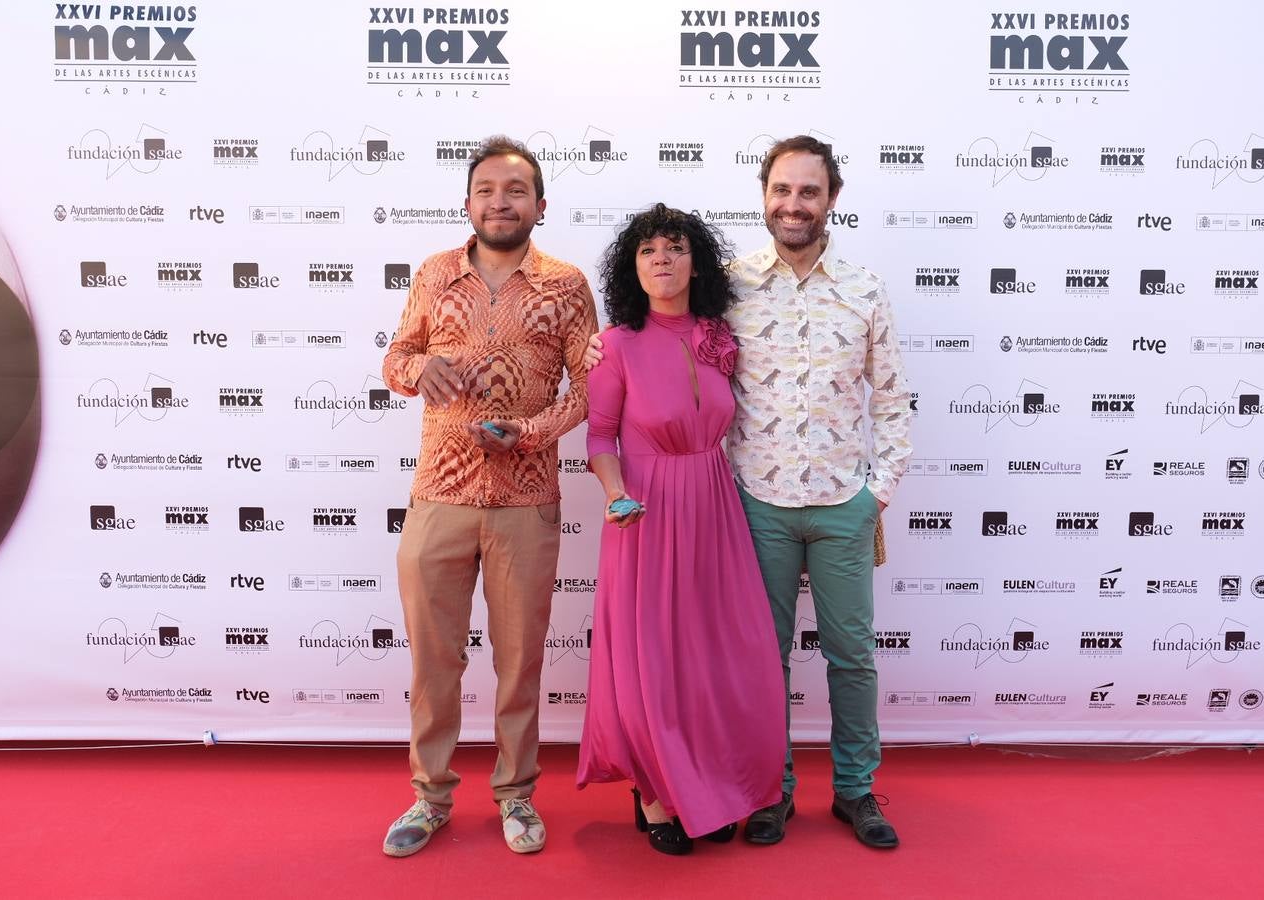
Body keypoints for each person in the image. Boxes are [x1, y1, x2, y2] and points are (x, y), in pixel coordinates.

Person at [585, 136, 913, 849]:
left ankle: (856, 790)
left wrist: (877, 493)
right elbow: (658, 337)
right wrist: (602, 347)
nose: (794, 204)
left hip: (842, 503)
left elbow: (891, 399)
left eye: (809, 191)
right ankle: (771, 790)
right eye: (782, 190)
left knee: (852, 656)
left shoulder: (864, 289)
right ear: (764, 196)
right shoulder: (728, 289)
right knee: (757, 660)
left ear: (831, 199)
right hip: (753, 506)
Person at [380, 135, 599, 858]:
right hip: (438, 494)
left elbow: (590, 390)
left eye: (515, 191)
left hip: (525, 499)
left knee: (519, 662)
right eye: (486, 191)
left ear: (541, 205)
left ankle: (516, 794)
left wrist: (530, 433)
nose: (500, 202)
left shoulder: (566, 285)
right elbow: (396, 357)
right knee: (433, 660)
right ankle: (430, 796)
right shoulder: (434, 273)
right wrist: (419, 369)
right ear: (467, 202)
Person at [576, 204, 786, 856]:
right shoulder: (615, 345)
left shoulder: (721, 336)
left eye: (674, 247)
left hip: (714, 506)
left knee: (709, 661)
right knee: (651, 662)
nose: (661, 259)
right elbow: (600, 436)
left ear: (697, 264)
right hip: (644, 512)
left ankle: (705, 785)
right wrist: (616, 495)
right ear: (632, 268)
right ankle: (655, 795)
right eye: (647, 250)